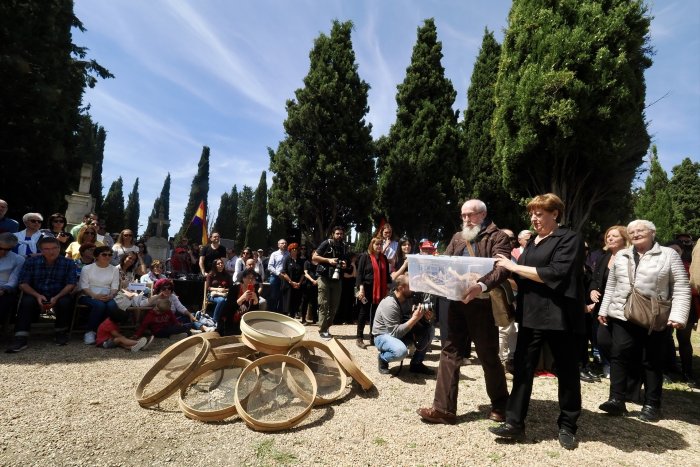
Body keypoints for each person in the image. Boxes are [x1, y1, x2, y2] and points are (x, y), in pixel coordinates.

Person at [488, 193, 586, 450]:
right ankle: (514, 423)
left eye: (539, 213)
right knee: (522, 369)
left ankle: (568, 425)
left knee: (566, 371)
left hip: (559, 316)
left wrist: (514, 266)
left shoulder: (569, 238)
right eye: (532, 214)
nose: (534, 218)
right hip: (531, 316)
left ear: (555, 214)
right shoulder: (533, 243)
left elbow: (556, 273)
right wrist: (493, 275)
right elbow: (521, 278)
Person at [417, 199, 511, 426]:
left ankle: (501, 405)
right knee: (449, 351)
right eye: (463, 215)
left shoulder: (498, 237)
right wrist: (434, 269)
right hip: (457, 302)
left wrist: (480, 284)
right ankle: (444, 409)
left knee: (487, 354)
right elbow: (447, 263)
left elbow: (502, 269)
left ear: (483, 214)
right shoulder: (458, 237)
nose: (466, 220)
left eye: (471, 215)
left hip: (483, 303)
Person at [597, 220, 691, 422]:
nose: (635, 233)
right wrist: (604, 309)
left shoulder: (668, 255)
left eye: (641, 230)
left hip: (654, 316)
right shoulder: (622, 255)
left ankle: (652, 404)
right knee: (619, 354)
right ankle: (616, 399)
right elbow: (612, 285)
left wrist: (678, 315)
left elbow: (681, 287)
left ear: (653, 233)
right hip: (622, 314)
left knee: (651, 360)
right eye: (631, 231)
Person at [6, 236, 77, 352]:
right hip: (36, 293)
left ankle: (61, 332)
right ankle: (21, 337)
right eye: (47, 249)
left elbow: (71, 284)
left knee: (65, 301)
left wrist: (57, 297)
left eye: (54, 248)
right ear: (41, 250)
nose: (51, 251)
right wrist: (37, 295)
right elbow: (23, 283)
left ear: (59, 248)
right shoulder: (31, 262)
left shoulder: (68, 263)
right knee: (27, 301)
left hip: (58, 293)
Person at [588, 226, 630, 380]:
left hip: (621, 305)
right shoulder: (603, 257)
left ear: (624, 239)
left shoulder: (630, 257)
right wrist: (592, 290)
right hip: (601, 306)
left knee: (620, 340)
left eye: (614, 236)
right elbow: (594, 279)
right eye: (608, 236)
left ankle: (621, 368)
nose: (609, 238)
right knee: (601, 339)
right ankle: (608, 363)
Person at [373, 274, 433, 374]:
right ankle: (383, 358)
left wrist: (425, 318)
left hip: (401, 331)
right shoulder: (390, 303)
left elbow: (410, 321)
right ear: (401, 288)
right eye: (411, 286)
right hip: (383, 335)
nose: (414, 289)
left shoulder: (408, 299)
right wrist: (415, 318)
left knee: (429, 330)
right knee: (401, 351)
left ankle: (416, 364)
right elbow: (395, 333)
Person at [78, 246, 121, 345]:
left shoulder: (114, 269)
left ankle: (106, 331)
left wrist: (111, 295)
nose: (107, 257)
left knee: (112, 306)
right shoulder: (87, 268)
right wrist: (95, 296)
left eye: (110, 255)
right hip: (87, 295)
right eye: (104, 254)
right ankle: (90, 332)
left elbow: (115, 286)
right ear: (96, 256)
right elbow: (84, 286)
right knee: (99, 305)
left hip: (107, 295)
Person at [313, 226, 348, 339]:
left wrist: (344, 264)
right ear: (333, 234)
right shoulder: (326, 243)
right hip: (324, 278)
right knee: (323, 304)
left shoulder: (343, 246)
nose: (339, 236)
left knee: (334, 307)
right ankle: (322, 330)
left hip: (337, 278)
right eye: (337, 233)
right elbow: (314, 257)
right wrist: (328, 260)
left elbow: (344, 259)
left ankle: (325, 327)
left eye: (341, 234)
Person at [355, 237, 391, 348]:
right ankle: (359, 337)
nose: (379, 246)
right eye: (377, 244)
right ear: (372, 245)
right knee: (363, 312)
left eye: (381, 244)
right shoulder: (365, 257)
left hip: (380, 290)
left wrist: (388, 288)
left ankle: (373, 336)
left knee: (376, 314)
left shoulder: (384, 258)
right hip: (367, 289)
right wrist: (361, 289)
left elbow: (387, 275)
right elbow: (360, 274)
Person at [217, 269, 260, 336]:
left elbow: (254, 313)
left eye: (253, 278)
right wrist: (241, 299)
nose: (251, 280)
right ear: (243, 278)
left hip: (244, 322)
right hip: (230, 321)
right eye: (249, 277)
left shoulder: (255, 292)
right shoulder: (234, 289)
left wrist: (256, 301)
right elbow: (228, 309)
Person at [0, 233, 25, 325]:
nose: (3, 252)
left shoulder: (18, 259)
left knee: (4, 301)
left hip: (4, 289)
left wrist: (3, 290)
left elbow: (14, 279)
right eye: (0, 248)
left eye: (7, 249)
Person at [280, 243, 305, 319]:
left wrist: (299, 283)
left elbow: (303, 273)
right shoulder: (286, 259)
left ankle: (294, 315)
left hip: (297, 284)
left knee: (296, 300)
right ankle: (287, 316)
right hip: (288, 284)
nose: (295, 251)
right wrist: (291, 282)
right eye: (293, 249)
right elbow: (283, 272)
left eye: (296, 249)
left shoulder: (301, 261)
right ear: (290, 250)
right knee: (288, 301)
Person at [206, 258, 233, 324]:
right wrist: (218, 289)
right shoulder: (210, 275)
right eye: (218, 264)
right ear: (215, 265)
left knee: (228, 301)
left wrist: (224, 290)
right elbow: (208, 288)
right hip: (213, 294)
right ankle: (215, 320)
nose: (221, 264)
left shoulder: (227, 275)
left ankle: (225, 319)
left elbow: (231, 287)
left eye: (222, 263)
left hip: (224, 293)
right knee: (222, 300)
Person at [267, 239, 289, 313]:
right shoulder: (274, 254)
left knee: (282, 296)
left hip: (285, 277)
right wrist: (278, 273)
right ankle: (271, 312)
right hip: (275, 276)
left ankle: (280, 313)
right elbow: (270, 266)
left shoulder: (289, 254)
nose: (284, 244)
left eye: (285, 243)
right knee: (273, 296)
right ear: (278, 245)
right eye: (282, 243)